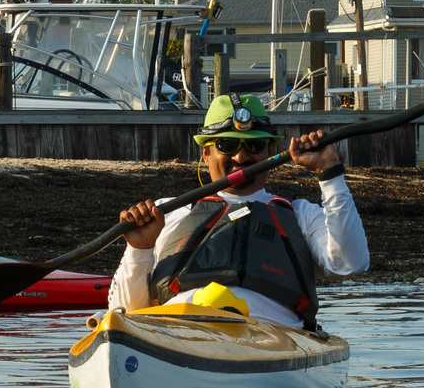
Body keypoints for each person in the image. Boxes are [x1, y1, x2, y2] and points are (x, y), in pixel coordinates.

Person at [110, 93, 368, 332]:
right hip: (180, 334)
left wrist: (330, 174)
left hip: (272, 338)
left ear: (269, 152)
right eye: (226, 144)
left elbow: (349, 264)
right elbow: (125, 314)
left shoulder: (301, 214)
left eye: (254, 146)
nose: (241, 157)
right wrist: (139, 249)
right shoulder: (168, 212)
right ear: (206, 152)